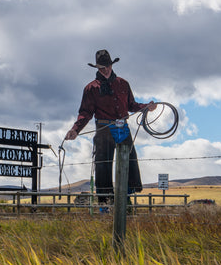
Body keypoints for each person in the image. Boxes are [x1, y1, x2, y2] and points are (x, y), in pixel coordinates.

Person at [64, 49, 156, 206]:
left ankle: (125, 202)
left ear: (111, 65)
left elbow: (132, 105)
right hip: (103, 130)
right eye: (101, 67)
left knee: (130, 162)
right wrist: (75, 129)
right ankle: (105, 205)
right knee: (103, 166)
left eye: (107, 66)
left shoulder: (123, 84)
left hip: (123, 127)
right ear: (97, 68)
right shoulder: (91, 88)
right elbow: (85, 113)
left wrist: (146, 106)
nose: (105, 69)